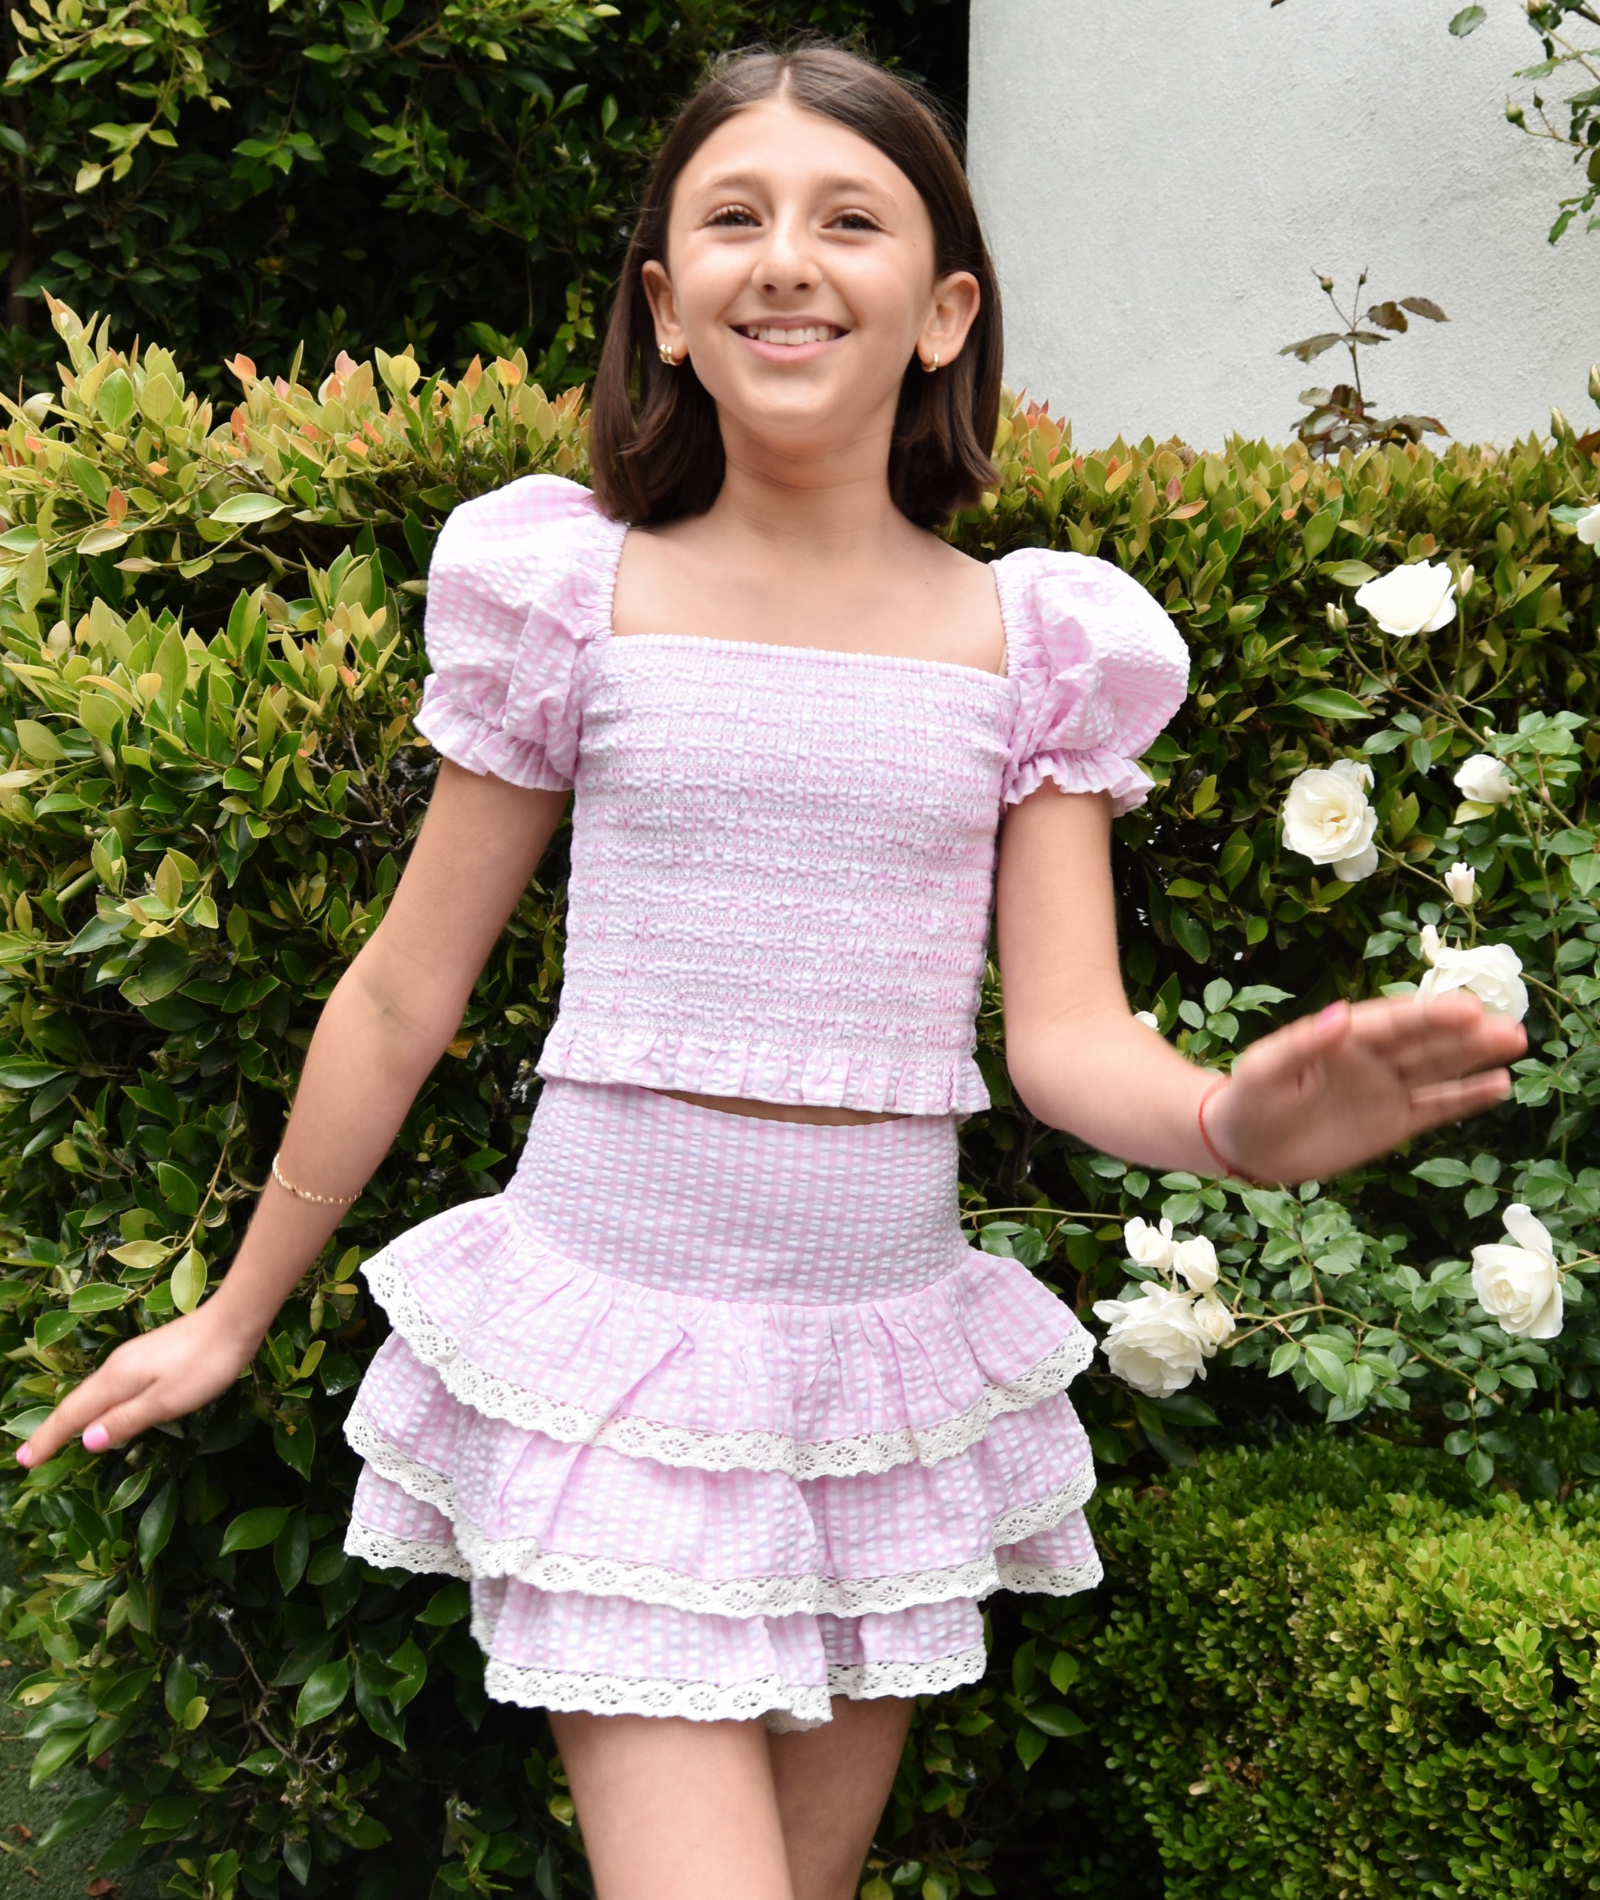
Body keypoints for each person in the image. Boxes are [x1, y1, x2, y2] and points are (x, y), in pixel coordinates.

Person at [18, 43, 1523, 1900]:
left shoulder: (1031, 644)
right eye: (734, 217)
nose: (787, 258)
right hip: (616, 1354)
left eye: (848, 219)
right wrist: (234, 1313)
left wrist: (1236, 1123)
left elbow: (1067, 1041)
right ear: (666, 303)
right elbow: (402, 993)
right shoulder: (570, 594)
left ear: (945, 309)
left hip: (874, 1375)